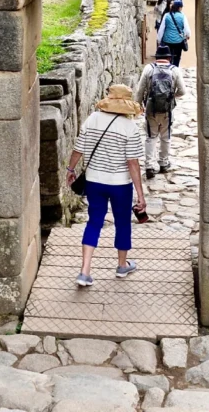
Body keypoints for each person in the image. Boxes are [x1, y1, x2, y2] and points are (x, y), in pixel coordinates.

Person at [65, 84, 147, 287]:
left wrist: (70, 169)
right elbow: (132, 163)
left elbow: (79, 148)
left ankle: (84, 272)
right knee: (122, 223)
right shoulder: (130, 127)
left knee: (94, 222)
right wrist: (140, 194)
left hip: (94, 181)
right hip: (120, 184)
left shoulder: (92, 119)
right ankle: (121, 265)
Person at [134, 45, 186, 180]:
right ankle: (163, 163)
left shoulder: (149, 69)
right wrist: (171, 97)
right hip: (167, 110)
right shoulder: (174, 70)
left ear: (157, 57)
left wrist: (138, 105)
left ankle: (149, 166)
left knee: (151, 137)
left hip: (151, 109)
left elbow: (140, 90)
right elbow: (182, 91)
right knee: (165, 137)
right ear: (169, 58)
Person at [156, 0, 191, 66]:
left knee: (168, 57)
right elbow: (187, 29)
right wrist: (188, 35)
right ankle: (175, 69)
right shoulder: (182, 16)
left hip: (167, 40)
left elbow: (161, 29)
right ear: (179, 8)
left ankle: (169, 70)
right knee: (177, 57)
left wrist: (159, 40)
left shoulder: (167, 15)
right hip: (178, 41)